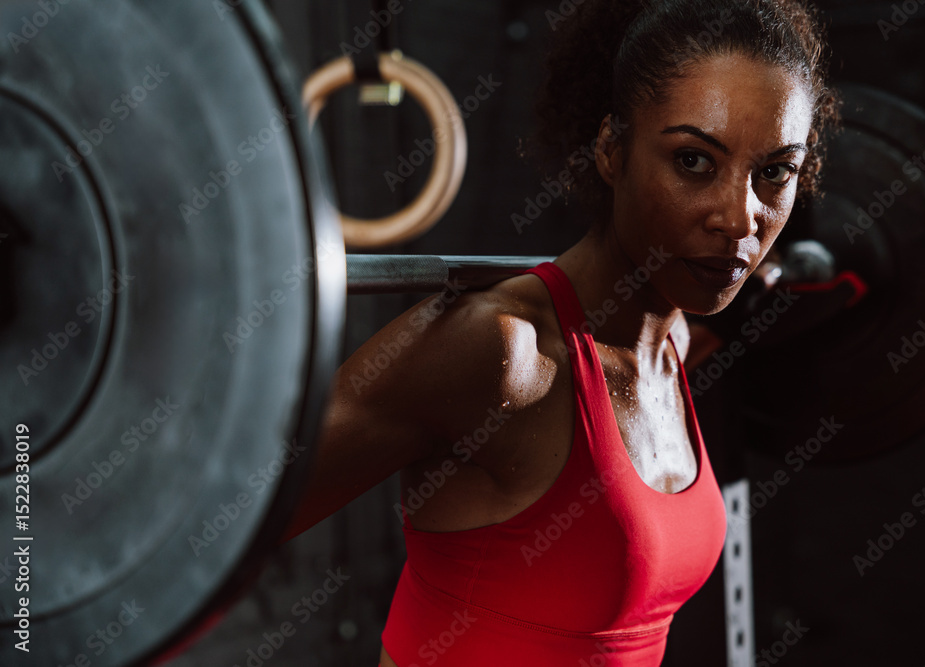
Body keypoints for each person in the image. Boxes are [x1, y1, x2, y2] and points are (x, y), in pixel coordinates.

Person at [284, 0, 839, 664]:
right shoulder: (503, 355)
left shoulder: (674, 345)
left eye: (774, 171)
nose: (739, 218)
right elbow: (213, 522)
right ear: (611, 150)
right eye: (694, 161)